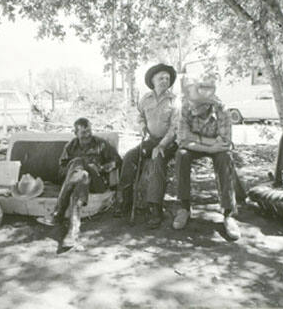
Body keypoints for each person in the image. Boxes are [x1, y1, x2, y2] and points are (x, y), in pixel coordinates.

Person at [173, 76, 246, 240]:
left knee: (225, 157)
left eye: (196, 105)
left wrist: (206, 144)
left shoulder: (223, 110)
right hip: (198, 147)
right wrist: (210, 145)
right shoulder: (185, 107)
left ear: (207, 105)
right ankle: (183, 208)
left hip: (218, 148)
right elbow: (183, 140)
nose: (191, 107)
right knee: (181, 155)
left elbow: (225, 143)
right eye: (190, 102)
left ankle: (228, 213)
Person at [115, 63, 179, 229]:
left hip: (169, 142)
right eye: (161, 78)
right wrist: (142, 126)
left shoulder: (175, 101)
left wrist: (163, 145)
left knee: (157, 160)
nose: (165, 80)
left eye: (167, 78)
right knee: (129, 157)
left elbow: (174, 128)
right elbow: (140, 116)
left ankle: (155, 208)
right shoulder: (145, 99)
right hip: (150, 140)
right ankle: (125, 200)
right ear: (153, 80)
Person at [43, 117, 122, 248]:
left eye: (89, 131)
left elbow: (118, 161)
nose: (88, 135)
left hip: (98, 182)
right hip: (81, 183)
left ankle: (58, 212)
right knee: (82, 176)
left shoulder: (101, 144)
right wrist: (79, 171)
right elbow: (61, 171)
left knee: (79, 162)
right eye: (84, 132)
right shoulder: (70, 147)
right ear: (76, 133)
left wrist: (101, 168)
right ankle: (73, 231)